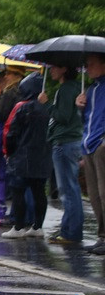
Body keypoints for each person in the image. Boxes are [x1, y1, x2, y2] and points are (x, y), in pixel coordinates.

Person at [1, 73, 51, 238]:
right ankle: (37, 227)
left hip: (21, 157)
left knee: (18, 192)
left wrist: (8, 152)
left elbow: (10, 132)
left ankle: (18, 227)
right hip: (42, 157)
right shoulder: (48, 108)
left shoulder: (21, 107)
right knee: (39, 192)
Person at [39, 64, 83, 245]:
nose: (52, 71)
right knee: (71, 189)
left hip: (64, 142)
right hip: (71, 142)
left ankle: (71, 233)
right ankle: (69, 229)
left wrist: (47, 104)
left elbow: (63, 116)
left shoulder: (65, 89)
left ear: (65, 69)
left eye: (55, 67)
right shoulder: (73, 88)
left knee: (68, 190)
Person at [77, 52, 105, 254]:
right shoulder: (91, 89)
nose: (87, 69)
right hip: (89, 144)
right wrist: (80, 106)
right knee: (94, 195)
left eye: (91, 64)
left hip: (101, 145)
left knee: (104, 193)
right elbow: (86, 119)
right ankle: (102, 236)